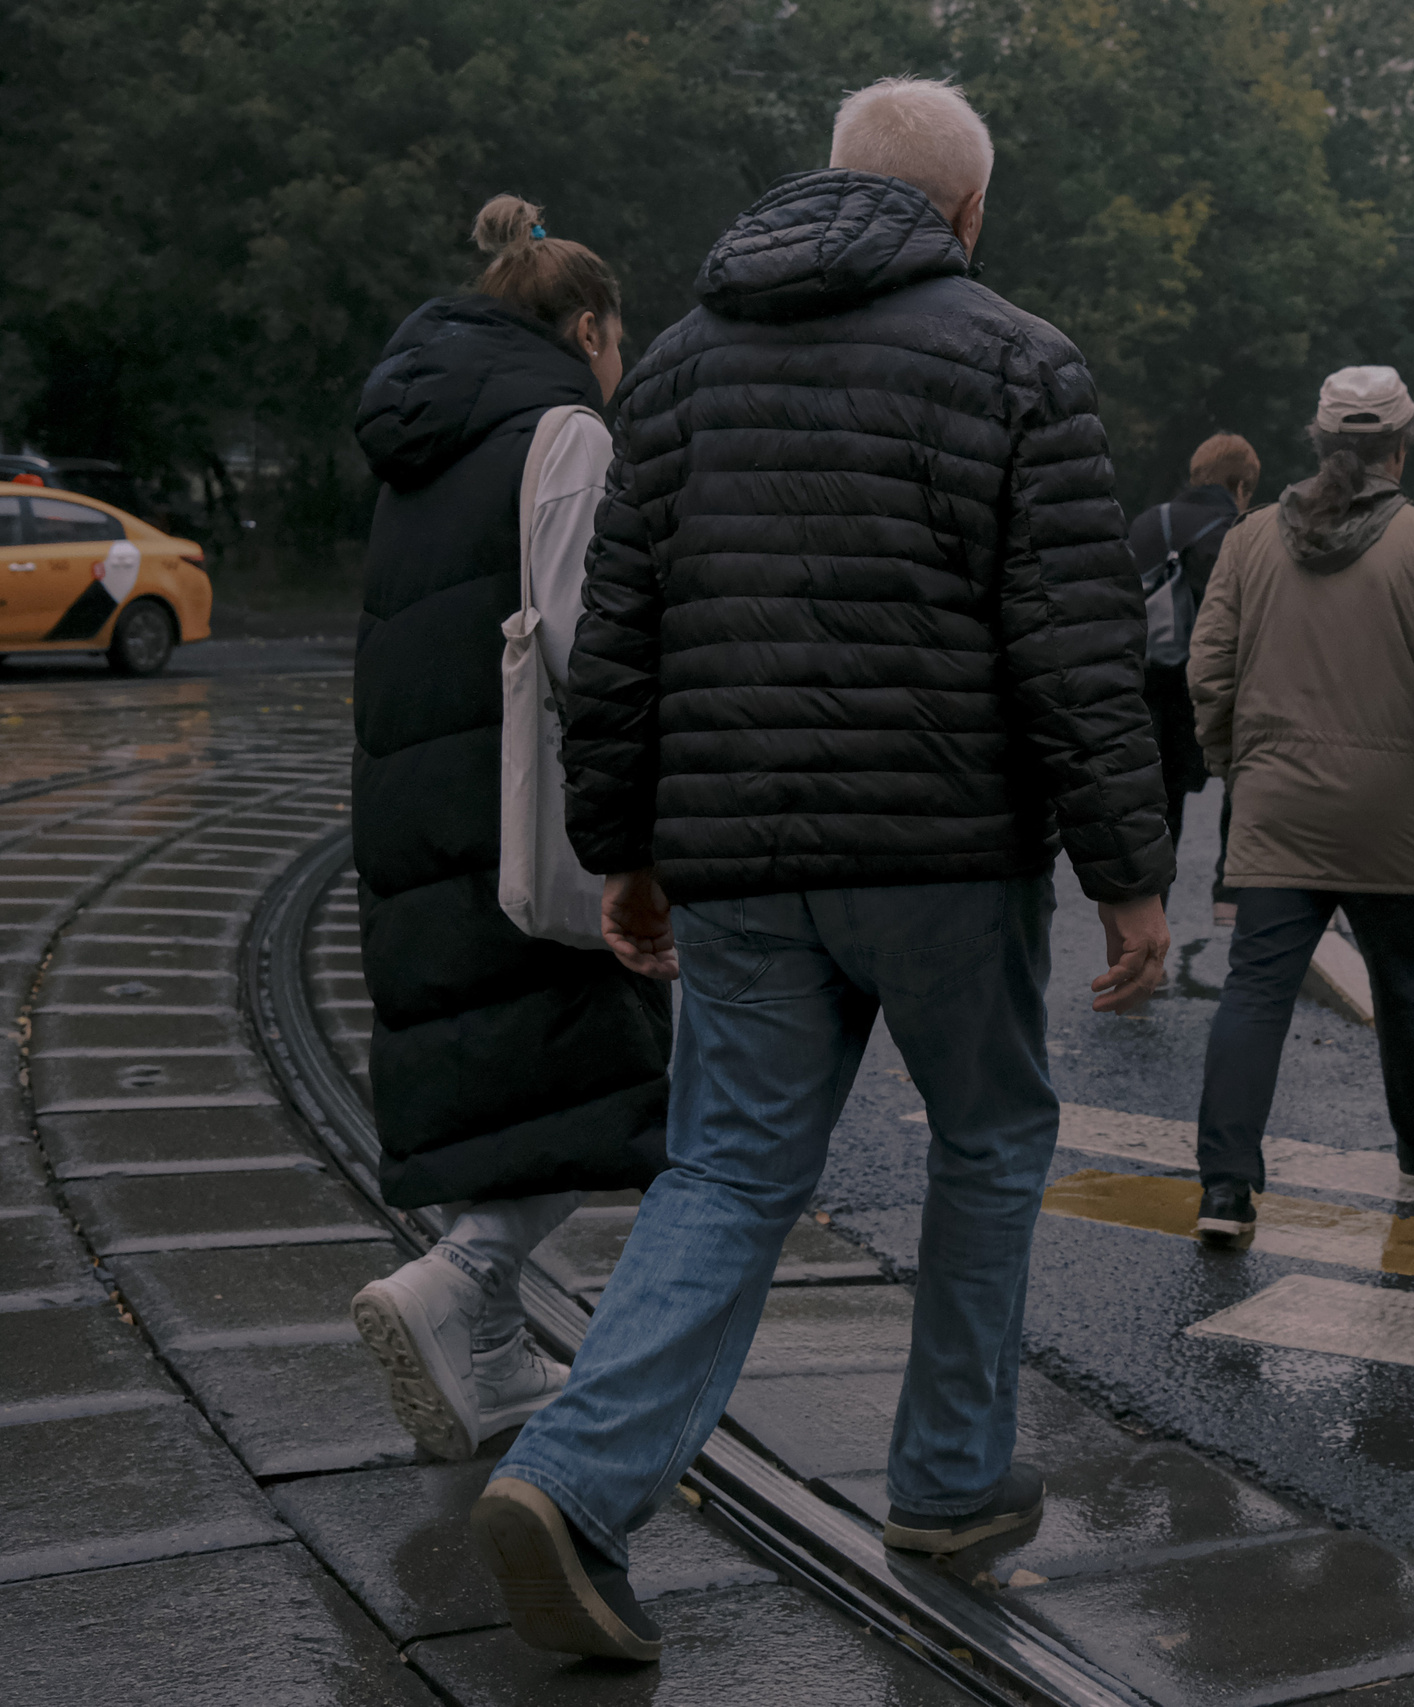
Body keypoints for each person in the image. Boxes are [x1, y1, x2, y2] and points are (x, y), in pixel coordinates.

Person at [467, 77, 1174, 1663]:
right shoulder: (1017, 361)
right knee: (988, 1137)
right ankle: (947, 1480)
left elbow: (620, 641)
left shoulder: (680, 371)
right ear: (966, 216)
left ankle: (573, 1481)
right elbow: (1074, 651)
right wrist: (1131, 876)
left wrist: (624, 854)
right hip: (942, 854)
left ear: (828, 182)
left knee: (726, 1169)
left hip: (739, 861)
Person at [346, 197, 670, 1463]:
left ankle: (481, 1347)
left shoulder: (418, 441)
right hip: (530, 809)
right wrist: (642, 815)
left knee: (512, 1068)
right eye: (621, 340)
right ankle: (464, 1282)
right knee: (609, 1065)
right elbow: (592, 639)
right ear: (585, 325)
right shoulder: (565, 432)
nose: (623, 363)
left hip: (422, 794)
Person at [1186, 366, 1414, 1246]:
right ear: (1400, 449)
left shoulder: (1249, 542)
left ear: (1320, 445)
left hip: (1277, 801)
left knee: (1255, 991)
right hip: (1396, 804)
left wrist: (1235, 766)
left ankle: (1225, 1186)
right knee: (1405, 987)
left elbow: (1208, 671)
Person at [1128, 434, 1258, 923]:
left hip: (1148, 686)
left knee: (1162, 804)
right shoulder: (1240, 533)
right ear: (1241, 484)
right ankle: (1228, 893)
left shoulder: (1147, 524)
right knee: (1244, 778)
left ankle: (1149, 923)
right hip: (1211, 688)